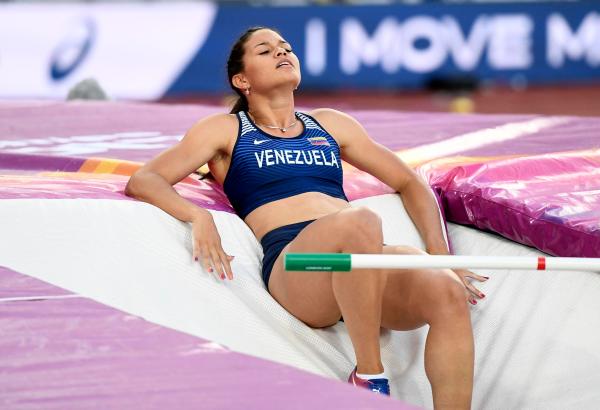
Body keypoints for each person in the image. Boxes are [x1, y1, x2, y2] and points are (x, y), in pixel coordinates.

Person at [125, 26, 488, 408]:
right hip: (299, 265)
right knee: (358, 222)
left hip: (361, 256)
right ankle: (368, 375)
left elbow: (410, 182)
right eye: (265, 51)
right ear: (242, 79)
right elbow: (145, 179)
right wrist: (197, 216)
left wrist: (440, 255)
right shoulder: (226, 130)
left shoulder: (329, 124)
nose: (282, 53)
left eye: (286, 48)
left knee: (447, 291)